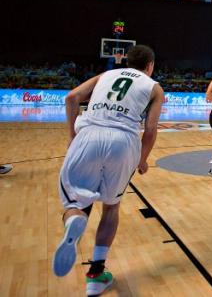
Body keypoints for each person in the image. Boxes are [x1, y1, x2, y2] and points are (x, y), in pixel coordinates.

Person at [53, 45, 164, 296]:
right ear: (150, 66)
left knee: (74, 202)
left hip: (89, 134)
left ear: (126, 62)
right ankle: (96, 275)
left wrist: (72, 135)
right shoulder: (154, 87)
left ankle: (75, 219)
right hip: (123, 142)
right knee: (111, 206)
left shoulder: (106, 76)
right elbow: (150, 130)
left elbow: (71, 98)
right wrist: (143, 159)